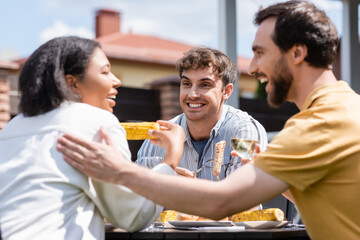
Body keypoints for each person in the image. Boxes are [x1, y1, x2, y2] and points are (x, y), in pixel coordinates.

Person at [56, 1, 360, 240]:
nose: (253, 67)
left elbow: (220, 203)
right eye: (186, 83)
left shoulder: (320, 123)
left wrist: (119, 171)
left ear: (296, 53)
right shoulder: (341, 109)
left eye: (260, 53)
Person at [0, 36, 183, 240]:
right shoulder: (98, 122)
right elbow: (133, 215)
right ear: (72, 83)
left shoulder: (10, 129)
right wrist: (170, 161)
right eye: (105, 72)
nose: (117, 80)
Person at [136, 47, 268, 180]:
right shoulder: (160, 134)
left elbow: (243, 196)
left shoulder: (244, 132)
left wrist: (178, 189)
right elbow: (136, 192)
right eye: (186, 83)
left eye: (205, 84)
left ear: (226, 91)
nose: (192, 94)